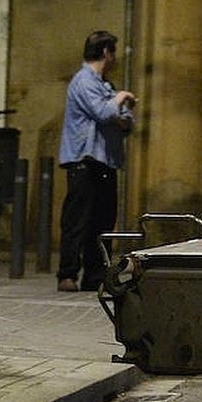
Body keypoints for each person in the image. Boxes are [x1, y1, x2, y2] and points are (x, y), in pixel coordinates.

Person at [57, 30, 136, 293]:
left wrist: (122, 114)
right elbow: (103, 112)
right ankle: (67, 274)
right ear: (106, 53)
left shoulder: (105, 85)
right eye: (113, 52)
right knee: (78, 220)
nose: (114, 59)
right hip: (84, 160)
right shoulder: (84, 81)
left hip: (105, 160)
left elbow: (124, 120)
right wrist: (121, 98)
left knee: (102, 221)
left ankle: (96, 274)